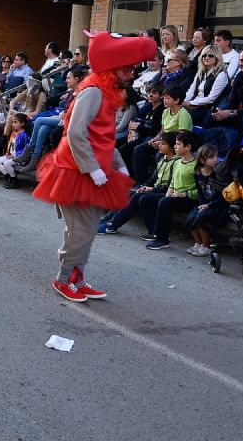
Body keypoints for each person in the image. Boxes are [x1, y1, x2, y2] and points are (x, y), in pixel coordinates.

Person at [33, 31, 157, 302]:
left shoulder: (106, 93)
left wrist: (118, 165)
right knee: (81, 231)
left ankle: (76, 277)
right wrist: (93, 168)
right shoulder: (92, 91)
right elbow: (76, 132)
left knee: (86, 230)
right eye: (128, 69)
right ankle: (64, 280)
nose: (132, 74)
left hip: (89, 171)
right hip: (73, 171)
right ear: (114, 68)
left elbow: (103, 137)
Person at [139, 129, 200, 250]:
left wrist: (185, 194)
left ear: (188, 147)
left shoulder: (196, 166)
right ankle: (155, 233)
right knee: (145, 199)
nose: (175, 147)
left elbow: (202, 191)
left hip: (190, 199)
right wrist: (168, 194)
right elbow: (172, 183)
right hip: (175, 196)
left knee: (164, 203)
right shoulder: (178, 162)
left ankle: (162, 239)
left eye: (178, 144)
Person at [185, 144, 229, 257]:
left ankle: (206, 246)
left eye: (216, 156)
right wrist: (202, 205)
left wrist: (208, 206)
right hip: (206, 204)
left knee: (201, 217)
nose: (216, 159)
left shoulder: (218, 174)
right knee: (191, 218)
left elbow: (223, 196)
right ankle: (198, 243)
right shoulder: (197, 173)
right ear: (201, 159)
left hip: (219, 205)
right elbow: (200, 193)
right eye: (211, 157)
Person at [0, 112, 31, 188]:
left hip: (20, 158)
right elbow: (11, 145)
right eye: (13, 122)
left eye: (15, 122)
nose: (13, 124)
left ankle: (14, 180)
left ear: (22, 123)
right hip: (12, 156)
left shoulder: (24, 135)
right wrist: (8, 153)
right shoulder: (14, 133)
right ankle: (8, 177)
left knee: (7, 163)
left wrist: (16, 156)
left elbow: (26, 150)